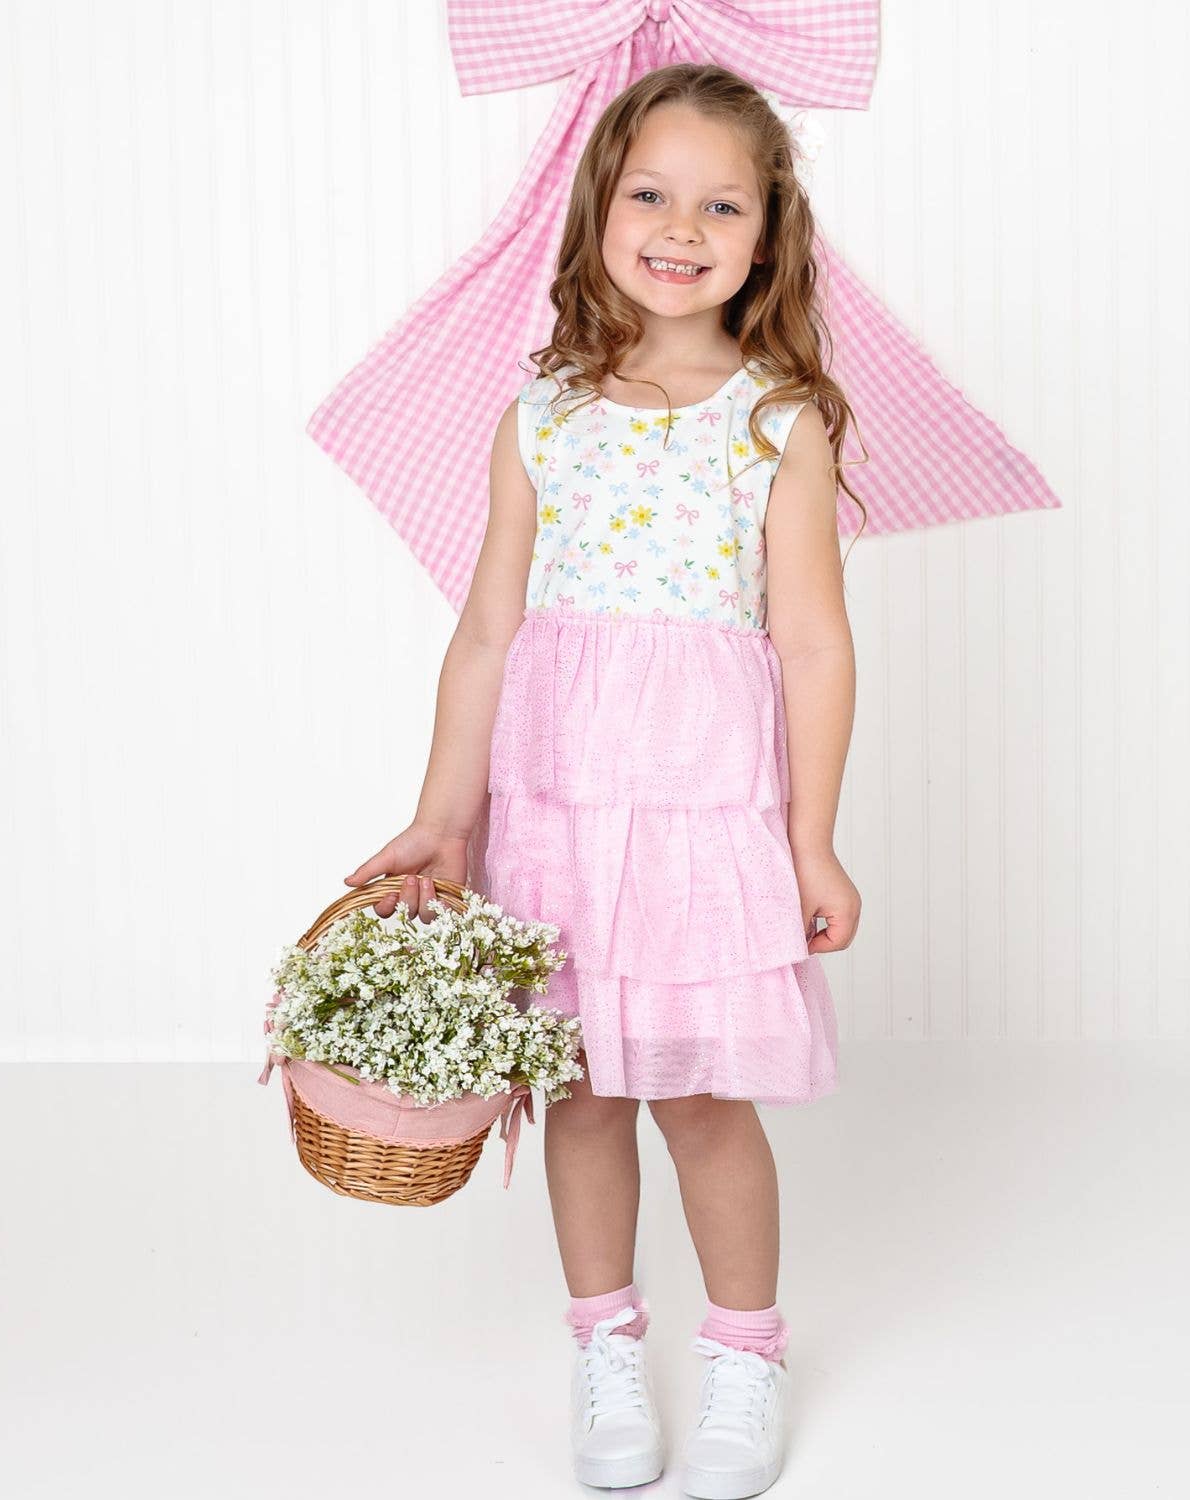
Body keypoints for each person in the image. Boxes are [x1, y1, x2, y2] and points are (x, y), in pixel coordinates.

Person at [345, 63, 863, 1500]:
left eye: (722, 202)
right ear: (597, 209)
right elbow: (490, 628)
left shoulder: (779, 422)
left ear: (769, 237)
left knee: (700, 1095)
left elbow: (814, 646)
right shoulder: (546, 412)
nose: (680, 225)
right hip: (561, 809)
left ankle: (746, 1355)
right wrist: (450, 815)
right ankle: (606, 1345)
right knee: (578, 1092)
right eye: (650, 191)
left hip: (704, 822)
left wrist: (812, 843)